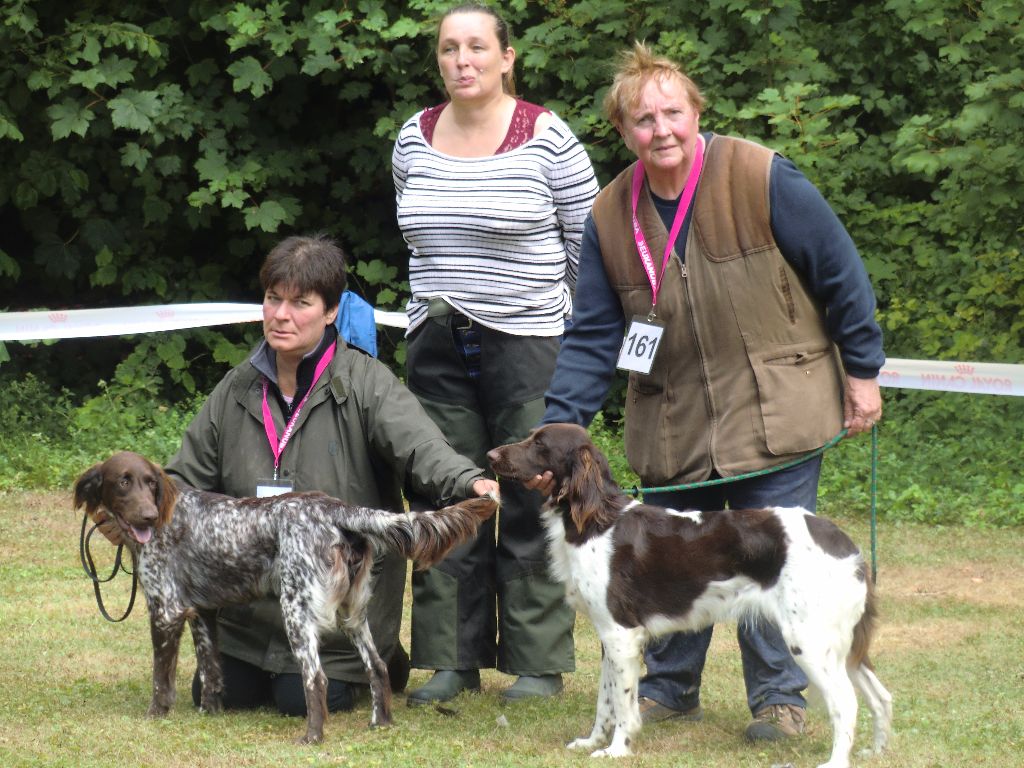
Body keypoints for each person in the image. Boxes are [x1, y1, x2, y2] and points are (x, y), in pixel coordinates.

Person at [525, 42, 885, 742]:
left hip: (777, 403)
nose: (661, 130)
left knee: (768, 554)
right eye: (642, 119)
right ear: (622, 129)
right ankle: (667, 690)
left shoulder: (762, 175)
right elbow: (593, 333)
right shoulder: (608, 213)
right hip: (673, 414)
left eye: (672, 113)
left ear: (696, 112)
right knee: (665, 551)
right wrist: (561, 430)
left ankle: (778, 699)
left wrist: (862, 371)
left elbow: (841, 272)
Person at [160, 233, 499, 717]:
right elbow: (180, 480)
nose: (281, 315)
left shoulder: (366, 381)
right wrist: (140, 510)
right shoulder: (236, 387)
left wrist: (468, 481)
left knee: (299, 700)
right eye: (273, 299)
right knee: (221, 694)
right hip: (246, 618)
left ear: (331, 311)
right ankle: (266, 661)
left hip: (333, 610)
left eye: (300, 303)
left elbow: (422, 447)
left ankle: (381, 660)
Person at [390, 2, 600, 704]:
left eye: (478, 46)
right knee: (446, 491)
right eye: (450, 48)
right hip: (437, 342)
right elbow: (416, 234)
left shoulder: (548, 137)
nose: (463, 60)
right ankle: (451, 659)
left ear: (507, 57)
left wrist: (576, 337)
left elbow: (589, 246)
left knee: (535, 495)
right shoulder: (413, 138)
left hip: (530, 342)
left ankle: (538, 661)